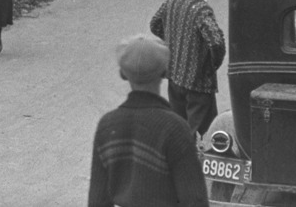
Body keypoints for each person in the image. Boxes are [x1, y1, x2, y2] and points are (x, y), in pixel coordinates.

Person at [87, 35, 209, 207]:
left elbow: (97, 201)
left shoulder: (107, 126)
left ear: (123, 74)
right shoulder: (175, 128)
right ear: (165, 72)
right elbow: (195, 200)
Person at [149, 0, 226, 138]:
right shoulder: (201, 9)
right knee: (210, 134)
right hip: (198, 84)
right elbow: (216, 43)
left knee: (180, 129)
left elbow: (154, 24)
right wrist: (211, 65)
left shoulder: (172, 1)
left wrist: (171, 40)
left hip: (175, 78)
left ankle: (179, 162)